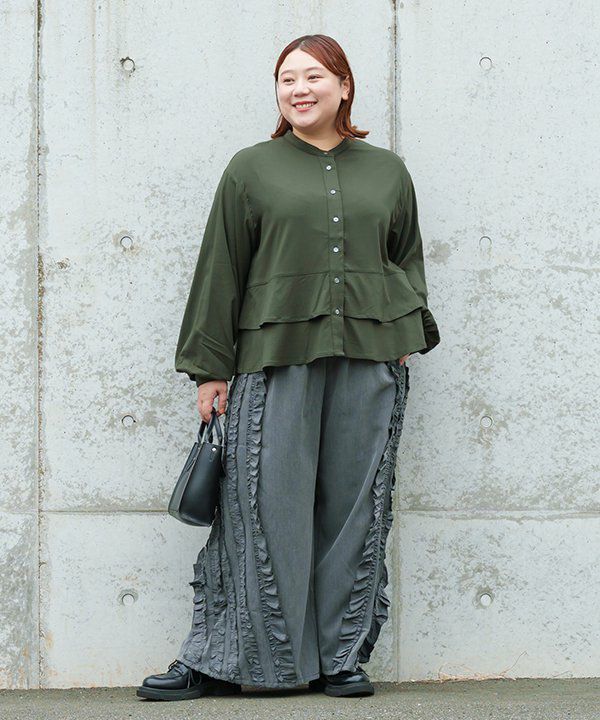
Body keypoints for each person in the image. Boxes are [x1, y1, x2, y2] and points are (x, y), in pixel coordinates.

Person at [137, 33, 440, 701]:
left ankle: (340, 658)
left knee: (355, 514)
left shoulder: (387, 171)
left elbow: (406, 258)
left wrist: (405, 327)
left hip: (369, 361)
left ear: (344, 86)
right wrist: (210, 370)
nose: (298, 89)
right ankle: (226, 659)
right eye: (286, 79)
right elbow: (220, 268)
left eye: (313, 76)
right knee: (260, 511)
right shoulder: (250, 169)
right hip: (273, 362)